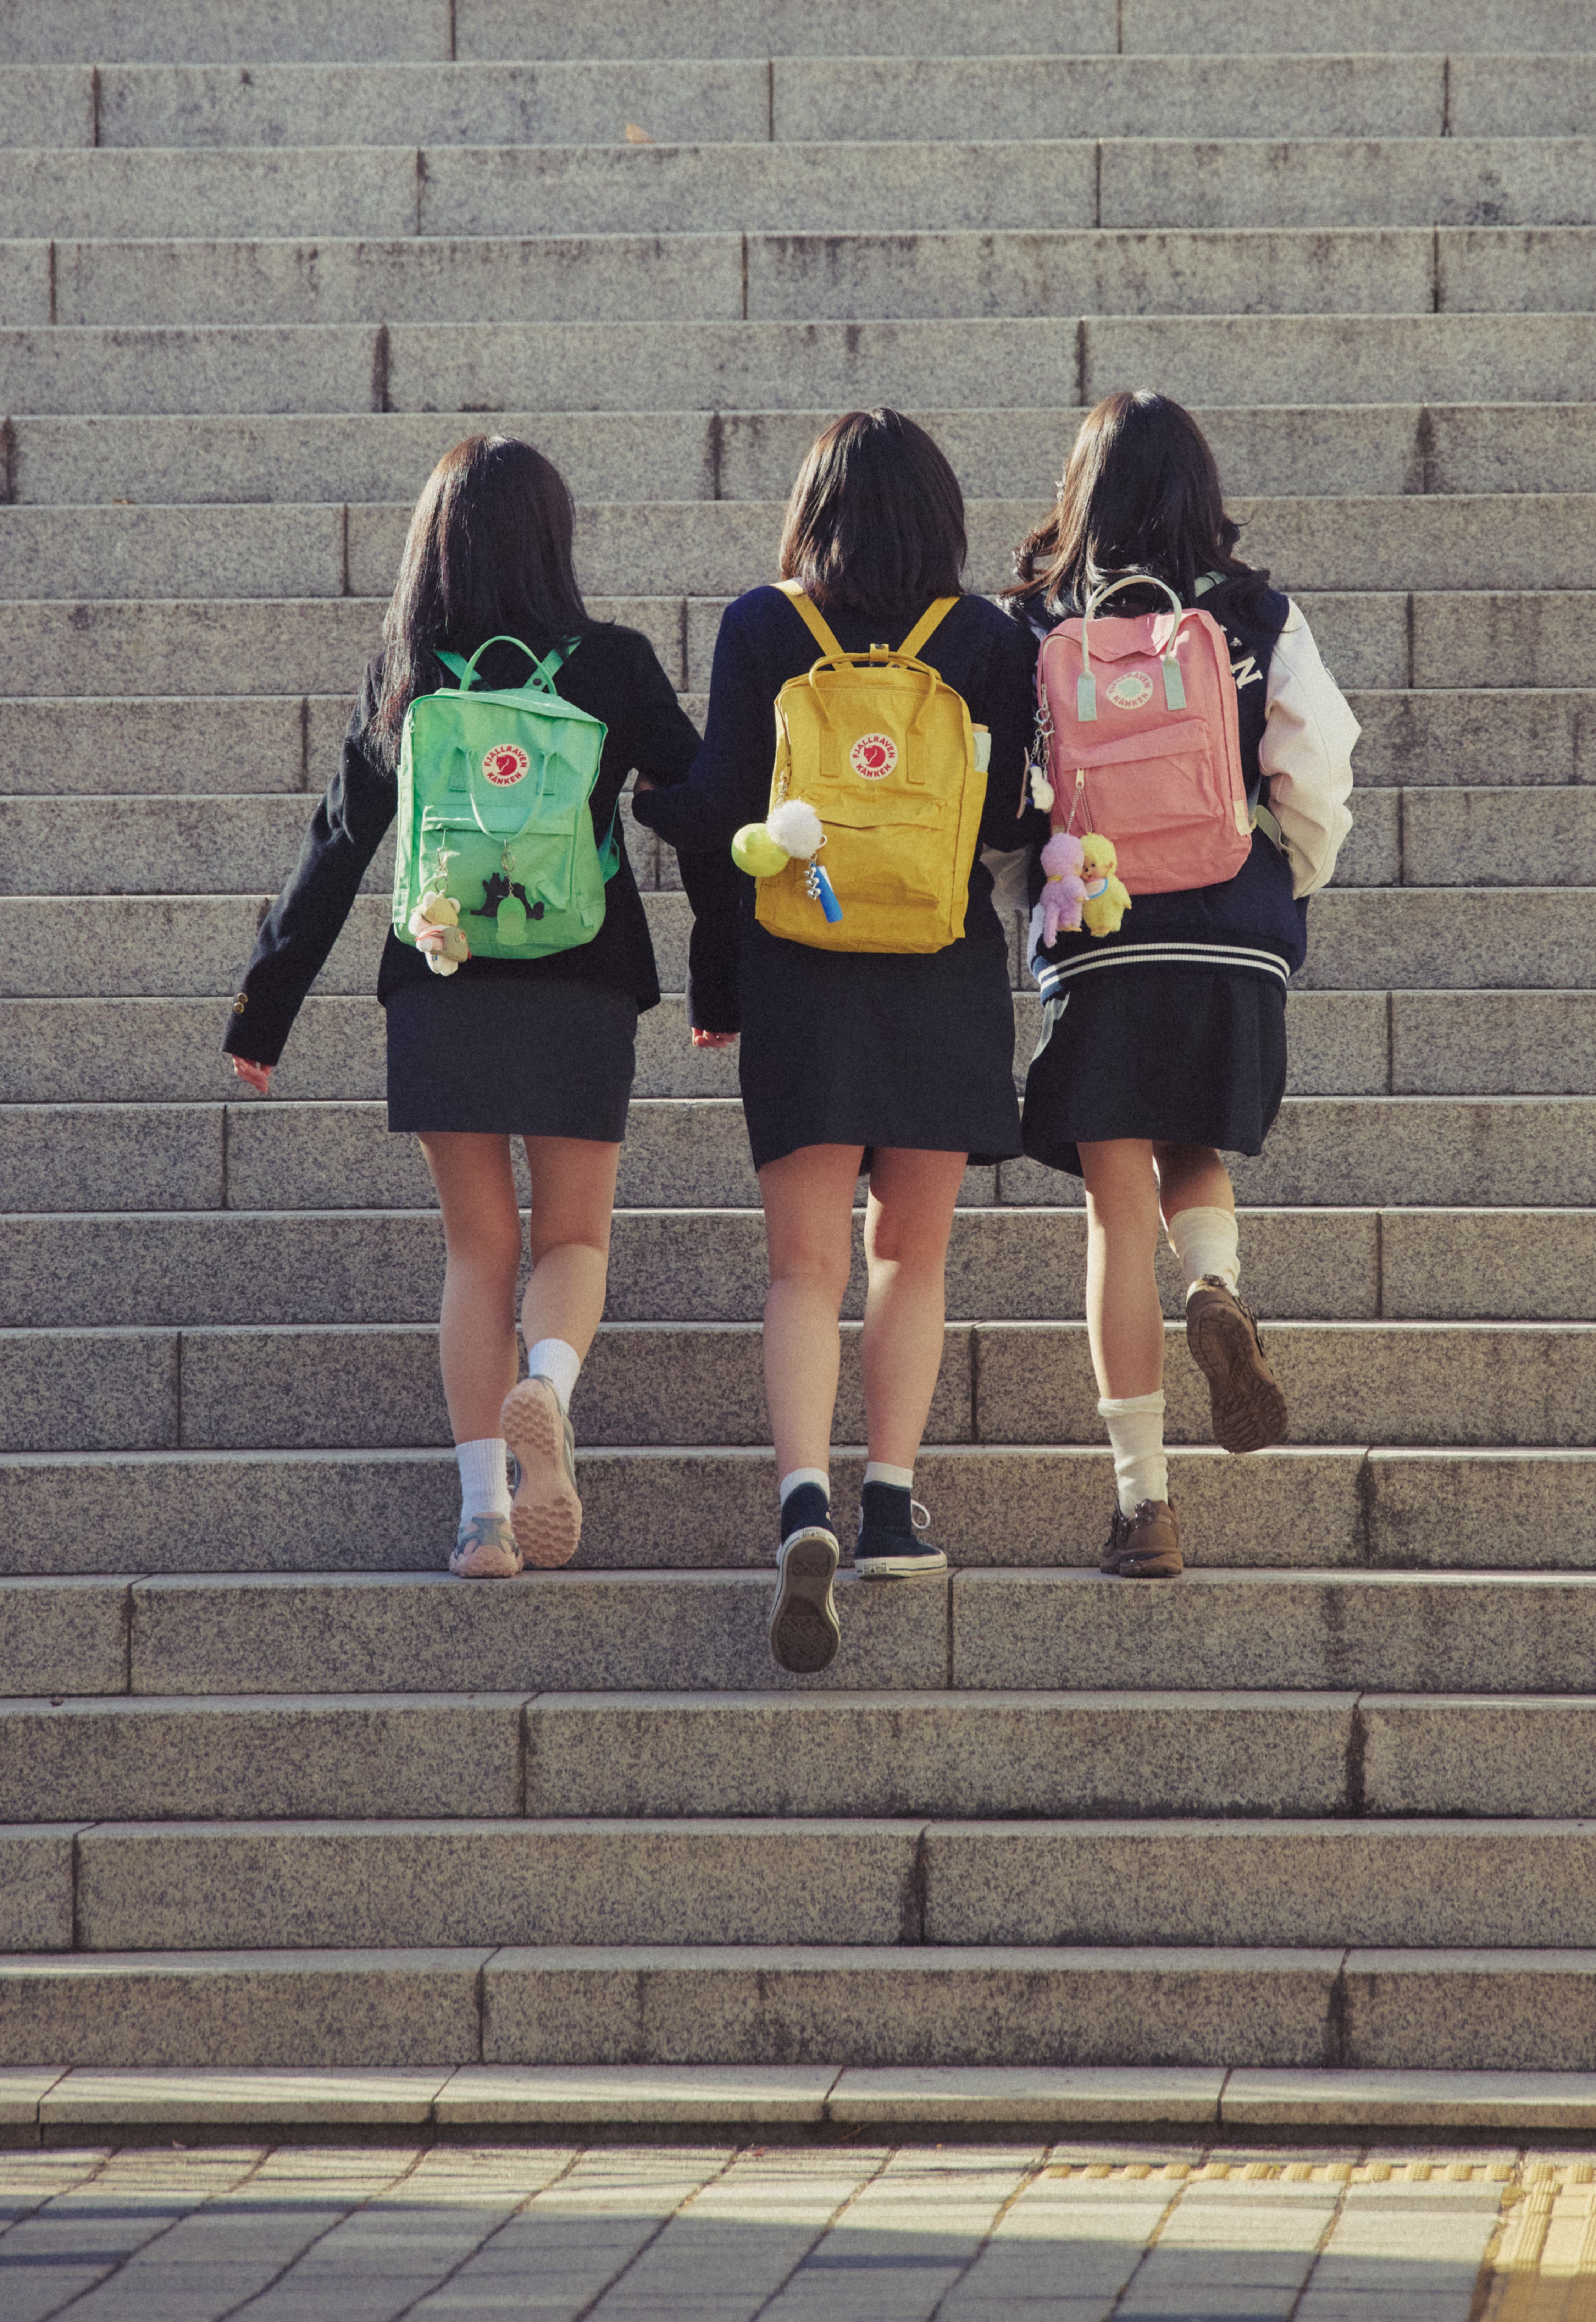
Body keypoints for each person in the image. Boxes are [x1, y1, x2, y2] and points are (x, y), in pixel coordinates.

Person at [222, 434, 724, 1579]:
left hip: (440, 978)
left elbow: (340, 839)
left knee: (476, 1251)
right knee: (574, 1235)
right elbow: (701, 808)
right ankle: (546, 1382)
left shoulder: (410, 671)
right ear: (554, 537)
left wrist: (264, 1010)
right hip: (581, 974)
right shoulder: (612, 664)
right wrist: (723, 976)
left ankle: (483, 1518)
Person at [632, 408, 1040, 1672]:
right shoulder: (984, 638)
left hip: (799, 970)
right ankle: (890, 1510)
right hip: (939, 967)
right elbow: (1007, 816)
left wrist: (647, 802)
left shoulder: (765, 625)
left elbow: (719, 809)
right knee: (908, 1255)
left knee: (801, 1268)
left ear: (813, 509)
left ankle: (802, 1499)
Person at [1005, 389, 1358, 1582]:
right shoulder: (1255, 611)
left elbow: (1007, 799)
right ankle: (1213, 1284)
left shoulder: (1038, 618)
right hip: (1229, 932)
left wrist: (1035, 897)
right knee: (1191, 1147)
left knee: (1116, 1213)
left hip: (1101, 933)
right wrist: (1283, 880)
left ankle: (1143, 1505)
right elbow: (1315, 764)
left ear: (1080, 491)